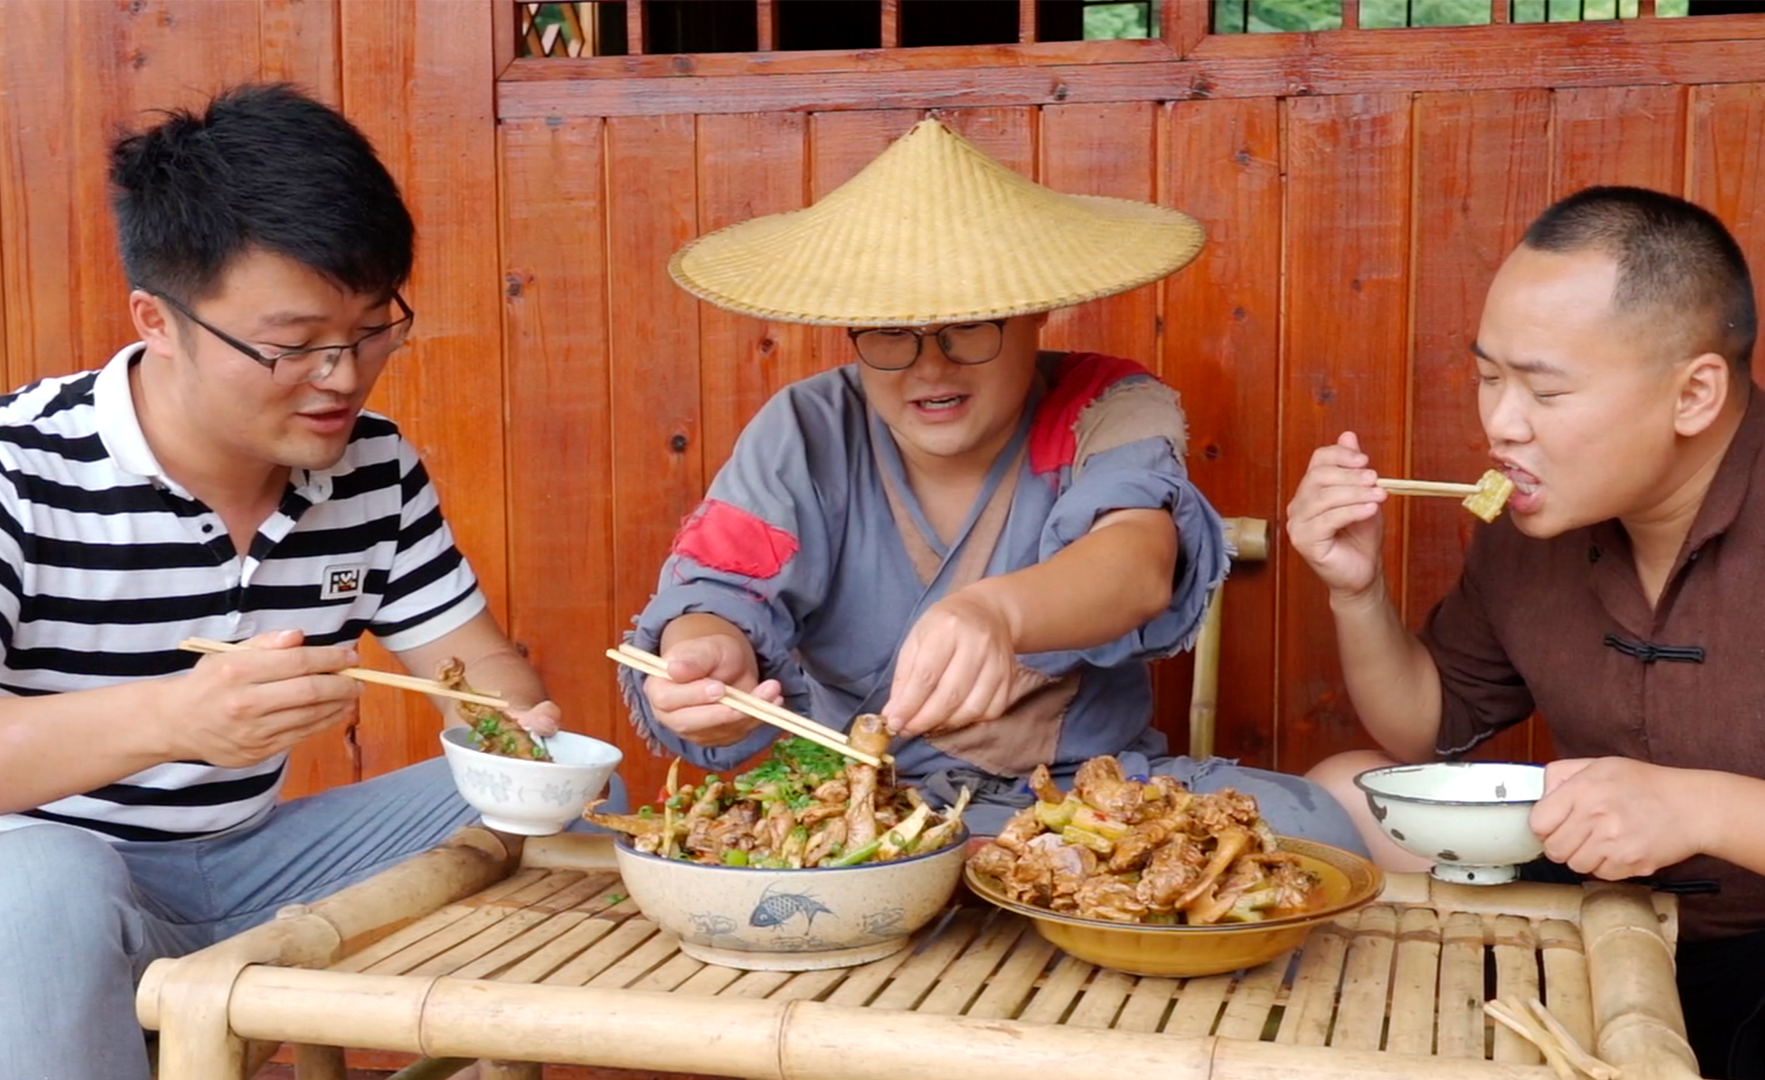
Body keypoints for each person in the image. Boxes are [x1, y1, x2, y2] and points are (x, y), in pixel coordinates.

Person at [0, 84, 609, 1080]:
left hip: (254, 867)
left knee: (574, 789)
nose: (341, 375)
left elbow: (481, 673)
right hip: (53, 893)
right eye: (291, 346)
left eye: (372, 330)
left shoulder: (370, 467)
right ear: (157, 319)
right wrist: (175, 720)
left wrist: (517, 732)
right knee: (30, 885)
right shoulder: (22, 466)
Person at [616, 117, 1366, 851]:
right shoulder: (808, 427)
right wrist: (703, 659)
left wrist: (995, 613)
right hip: (858, 817)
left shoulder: (1106, 403)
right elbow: (717, 592)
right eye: (889, 331)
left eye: (969, 325)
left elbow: (1135, 559)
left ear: (1034, 309)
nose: (930, 366)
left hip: (1085, 804)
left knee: (1317, 827)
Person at [1288, 185, 1765, 1078]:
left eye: (1543, 389)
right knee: (1348, 792)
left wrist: (1699, 808)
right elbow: (1426, 730)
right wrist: (1355, 592)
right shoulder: (1526, 524)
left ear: (1694, 391)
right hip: (1592, 914)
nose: (1500, 425)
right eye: (1487, 376)